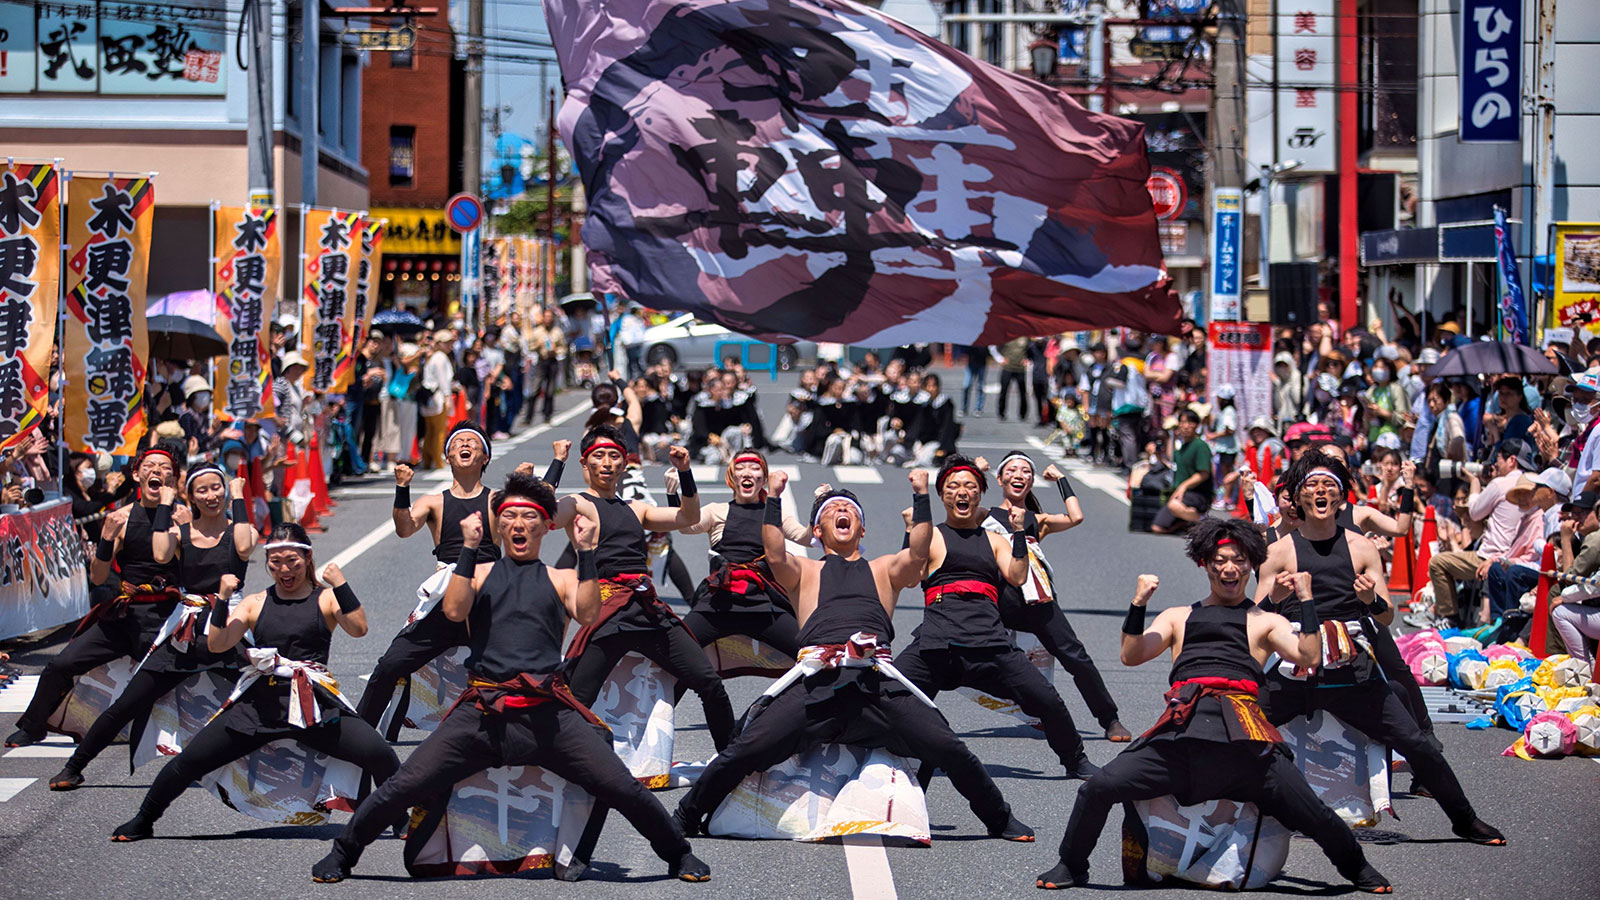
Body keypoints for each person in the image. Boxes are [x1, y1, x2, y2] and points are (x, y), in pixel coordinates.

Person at [310, 471, 710, 884]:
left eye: (529, 517)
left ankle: (679, 855)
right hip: (482, 714)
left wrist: (587, 551)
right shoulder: (480, 574)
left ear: (545, 525)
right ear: (499, 525)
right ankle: (343, 854)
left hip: (548, 716)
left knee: (623, 787)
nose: (519, 524)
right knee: (402, 786)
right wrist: (467, 547)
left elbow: (590, 614)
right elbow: (453, 611)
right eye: (510, 517)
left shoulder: (562, 578)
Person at [1035, 518, 1390, 893]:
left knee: (1313, 812)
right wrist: (1138, 603)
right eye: (1220, 560)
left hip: (1245, 747)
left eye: (1238, 560)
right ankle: (1072, 865)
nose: (1229, 568)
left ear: (1251, 565)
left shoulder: (1264, 621)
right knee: (1098, 787)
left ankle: (1358, 869)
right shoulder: (1179, 617)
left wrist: (1306, 600)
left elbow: (1309, 654)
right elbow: (1131, 654)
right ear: (1205, 563)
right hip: (1180, 739)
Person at [672, 477, 1035, 843]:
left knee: (948, 746)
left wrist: (922, 497)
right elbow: (776, 553)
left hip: (876, 682)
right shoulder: (806, 572)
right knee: (746, 747)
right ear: (817, 530)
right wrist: (775, 499)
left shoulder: (883, 569)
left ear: (862, 527)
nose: (841, 511)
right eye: (831, 510)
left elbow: (919, 553)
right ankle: (686, 815)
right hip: (818, 683)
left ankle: (999, 819)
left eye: (849, 509)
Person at [1255, 450, 1506, 848]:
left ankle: (1465, 820)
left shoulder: (1361, 548)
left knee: (1419, 743)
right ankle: (1214, 809)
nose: (1321, 492)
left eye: (1329, 486)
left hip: (1353, 672)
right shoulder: (1280, 550)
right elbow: (1256, 619)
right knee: (1233, 724)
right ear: (1299, 497)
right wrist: (1273, 599)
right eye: (1312, 486)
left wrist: (1371, 599)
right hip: (1296, 669)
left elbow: (1386, 616)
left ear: (1340, 498)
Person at [110, 524, 400, 842]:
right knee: (189, 761)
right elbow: (219, 644)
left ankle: (400, 819)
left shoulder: (326, 599)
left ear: (307, 557)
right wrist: (221, 600)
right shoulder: (255, 602)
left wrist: (341, 584)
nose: (284, 569)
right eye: (275, 562)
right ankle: (144, 820)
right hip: (259, 706)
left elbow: (359, 628)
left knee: (378, 752)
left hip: (312, 705)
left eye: (292, 560)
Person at [48, 464, 258, 790]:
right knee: (129, 701)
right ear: (190, 495)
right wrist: (165, 504)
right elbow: (160, 554)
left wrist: (237, 495)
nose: (210, 495)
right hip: (186, 629)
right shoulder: (179, 534)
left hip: (228, 626)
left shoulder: (239, 528)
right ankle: (75, 766)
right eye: (201, 490)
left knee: (268, 695)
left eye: (216, 487)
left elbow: (244, 547)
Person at [893, 456, 1100, 779]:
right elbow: (908, 574)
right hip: (937, 642)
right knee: (887, 692)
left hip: (989, 643)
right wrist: (912, 521)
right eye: (953, 487)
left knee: (1048, 700)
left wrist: (1018, 532)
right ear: (942, 495)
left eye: (970, 487)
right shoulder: (931, 536)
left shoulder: (994, 539)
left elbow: (1017, 575)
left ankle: (1075, 761)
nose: (962, 492)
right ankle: (877, 757)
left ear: (980, 495)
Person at [355, 426, 568, 728]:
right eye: (458, 442)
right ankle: (359, 735)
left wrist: (545, 471)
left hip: (487, 596)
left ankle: (537, 733)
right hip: (445, 598)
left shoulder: (497, 499)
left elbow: (540, 509)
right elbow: (404, 528)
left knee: (521, 666)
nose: (465, 444)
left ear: (485, 457)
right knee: (390, 664)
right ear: (448, 456)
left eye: (472, 442)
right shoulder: (434, 502)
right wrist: (402, 488)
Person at [551, 428, 737, 750]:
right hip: (606, 609)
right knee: (576, 700)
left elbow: (687, 516)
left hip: (647, 609)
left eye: (614, 456)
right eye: (599, 455)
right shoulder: (577, 504)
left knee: (709, 683)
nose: (607, 463)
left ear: (623, 465)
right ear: (585, 463)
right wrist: (557, 462)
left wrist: (685, 472)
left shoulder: (636, 509)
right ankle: (562, 768)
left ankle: (733, 765)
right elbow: (545, 515)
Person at [6, 447, 185, 748]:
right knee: (61, 664)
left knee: (209, 670)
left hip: (169, 617)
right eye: (150, 465)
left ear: (174, 477)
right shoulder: (119, 517)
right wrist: (105, 540)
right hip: (127, 613)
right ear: (136, 474)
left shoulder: (182, 516)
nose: (156, 471)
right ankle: (34, 725)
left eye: (164, 467)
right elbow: (99, 577)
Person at [981, 451, 1129, 741]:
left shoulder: (1038, 519)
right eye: (1011, 470)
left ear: (1032, 481)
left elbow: (1076, 517)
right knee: (954, 649)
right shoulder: (984, 516)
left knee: (1077, 658)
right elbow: (961, 503)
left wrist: (1061, 479)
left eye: (1026, 471)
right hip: (997, 602)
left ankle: (1109, 719)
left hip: (1038, 602)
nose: (1019, 475)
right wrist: (975, 469)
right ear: (999, 479)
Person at [677, 451, 812, 658]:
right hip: (718, 602)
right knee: (677, 653)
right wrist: (682, 476)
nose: (747, 473)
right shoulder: (716, 511)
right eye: (740, 468)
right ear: (732, 478)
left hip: (762, 604)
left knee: (810, 653)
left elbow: (807, 538)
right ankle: (711, 691)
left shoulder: (774, 512)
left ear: (764, 479)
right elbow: (685, 525)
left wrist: (821, 506)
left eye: (755, 468)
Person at [1417, 440, 1541, 629]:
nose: (1494, 464)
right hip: (1510, 556)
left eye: (1498, 459)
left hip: (1490, 556)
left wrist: (1475, 482)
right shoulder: (1532, 483)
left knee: (1437, 563)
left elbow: (1474, 512)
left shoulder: (1500, 484)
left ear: (1511, 460)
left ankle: (1449, 617)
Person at [1150, 409, 1212, 534]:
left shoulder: (1200, 446)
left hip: (1197, 494)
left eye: (1190, 422)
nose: (1185, 426)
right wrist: (1170, 437)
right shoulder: (1183, 446)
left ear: (1196, 425)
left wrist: (1184, 486)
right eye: (1182, 422)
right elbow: (1172, 458)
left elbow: (1204, 473)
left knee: (1173, 505)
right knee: (1157, 528)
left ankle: (1203, 521)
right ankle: (1185, 523)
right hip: (1181, 494)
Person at [420, 331, 456, 469]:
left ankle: (427, 460)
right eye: (447, 342)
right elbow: (443, 380)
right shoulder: (440, 357)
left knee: (430, 431)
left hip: (429, 398)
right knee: (439, 432)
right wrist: (448, 397)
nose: (450, 345)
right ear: (439, 343)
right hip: (438, 397)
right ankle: (438, 461)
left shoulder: (432, 357)